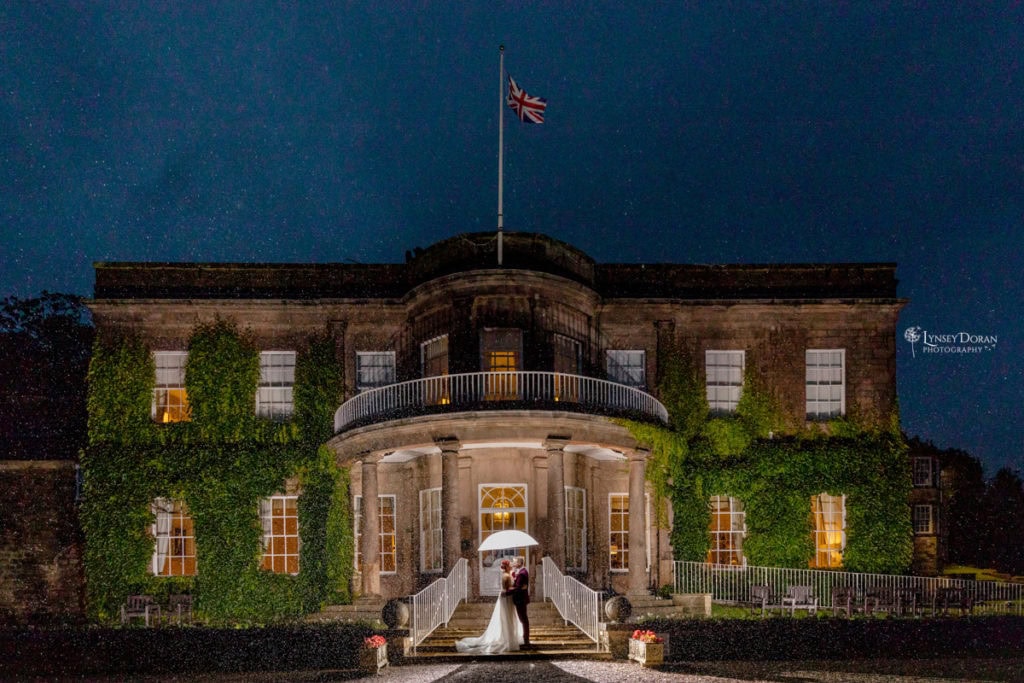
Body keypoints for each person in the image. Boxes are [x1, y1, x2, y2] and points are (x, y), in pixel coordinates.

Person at [454, 558, 523, 654]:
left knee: (510, 618)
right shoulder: (506, 576)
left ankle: (511, 637)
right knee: (507, 619)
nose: (512, 565)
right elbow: (507, 590)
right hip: (506, 599)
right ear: (507, 567)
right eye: (510, 564)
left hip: (508, 599)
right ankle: (509, 639)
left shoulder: (509, 574)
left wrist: (515, 581)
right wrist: (517, 588)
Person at [510, 556, 531, 648]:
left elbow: (518, 588)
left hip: (520, 600)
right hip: (520, 599)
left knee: (523, 619)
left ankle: (526, 639)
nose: (513, 563)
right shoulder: (521, 572)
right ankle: (525, 638)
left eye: (514, 562)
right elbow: (518, 583)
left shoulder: (522, 573)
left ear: (519, 563)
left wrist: (506, 592)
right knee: (523, 619)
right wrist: (514, 574)